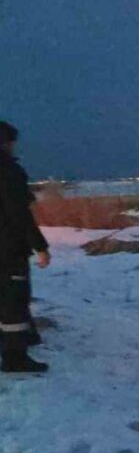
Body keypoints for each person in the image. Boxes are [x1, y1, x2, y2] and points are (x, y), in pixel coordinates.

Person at [0, 120, 50, 373]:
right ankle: (15, 357)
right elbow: (19, 214)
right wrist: (40, 246)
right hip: (7, 250)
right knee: (14, 301)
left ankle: (20, 341)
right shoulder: (8, 171)